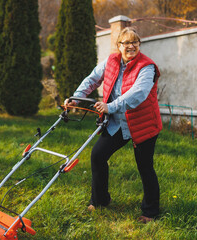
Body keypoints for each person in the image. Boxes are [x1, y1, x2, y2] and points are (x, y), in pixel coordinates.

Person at [64, 27, 162, 223]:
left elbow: (138, 94)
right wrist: (76, 98)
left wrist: (110, 106)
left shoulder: (147, 67)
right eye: (126, 42)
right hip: (117, 122)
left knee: (145, 166)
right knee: (98, 156)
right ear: (119, 46)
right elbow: (92, 79)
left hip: (143, 123)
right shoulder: (111, 62)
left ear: (139, 45)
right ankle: (100, 200)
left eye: (135, 42)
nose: (131, 46)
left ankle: (150, 211)